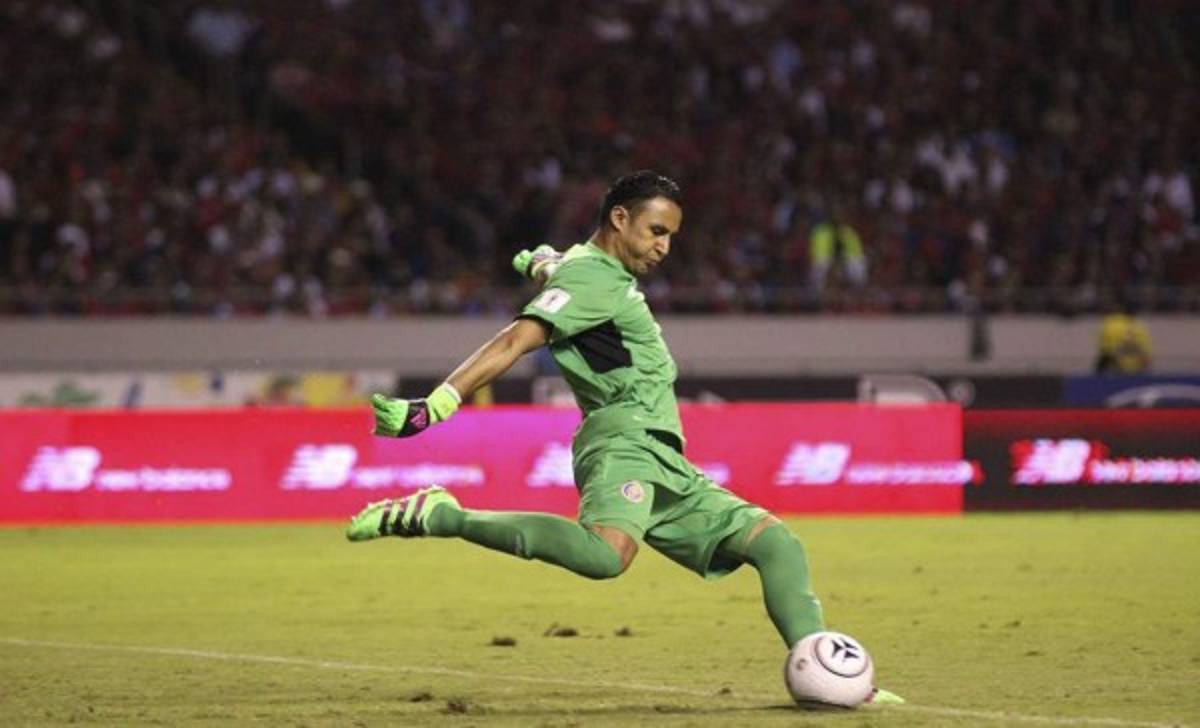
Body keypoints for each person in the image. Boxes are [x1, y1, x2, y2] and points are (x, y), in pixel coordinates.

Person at [346, 171, 902, 705]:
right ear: (619, 218)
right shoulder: (591, 276)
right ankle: (443, 515)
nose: (664, 247)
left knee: (776, 545)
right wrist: (438, 403)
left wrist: (545, 263)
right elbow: (518, 339)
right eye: (656, 231)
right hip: (624, 441)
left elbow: (578, 287)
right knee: (605, 556)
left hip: (664, 455)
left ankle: (834, 675)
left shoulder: (594, 272)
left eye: (672, 237)